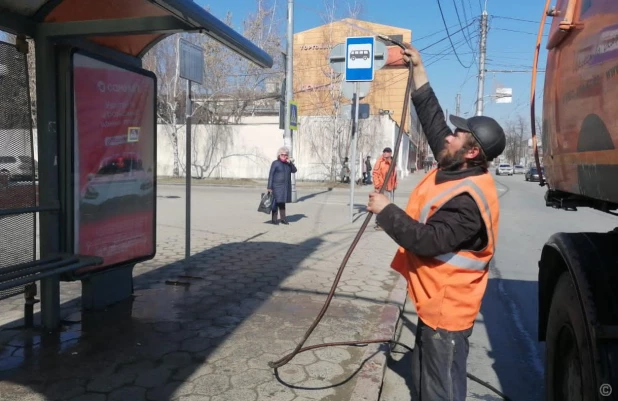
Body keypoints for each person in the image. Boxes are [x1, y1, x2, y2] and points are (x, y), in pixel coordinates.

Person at [366, 44, 506, 401]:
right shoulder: (457, 165)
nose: (448, 135)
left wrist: (385, 210)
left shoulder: (469, 200)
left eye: (457, 134)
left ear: (472, 151)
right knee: (425, 381)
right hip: (433, 302)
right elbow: (432, 120)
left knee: (440, 391)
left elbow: (427, 240)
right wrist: (419, 69)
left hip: (447, 312)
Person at [267, 147, 297, 225]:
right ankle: (274, 220)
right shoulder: (275, 163)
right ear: (279, 155)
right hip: (276, 186)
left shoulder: (288, 164)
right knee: (275, 203)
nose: (284, 156)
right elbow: (271, 175)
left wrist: (290, 163)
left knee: (282, 203)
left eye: (285, 155)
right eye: (282, 154)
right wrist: (269, 187)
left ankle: (283, 219)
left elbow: (294, 170)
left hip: (285, 187)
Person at [372, 147, 397, 230]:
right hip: (382, 187)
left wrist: (395, 184)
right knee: (380, 206)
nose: (385, 153)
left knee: (389, 206)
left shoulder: (392, 161)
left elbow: (394, 174)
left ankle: (387, 223)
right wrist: (377, 186)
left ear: (390, 153)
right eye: (384, 152)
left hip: (390, 187)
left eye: (387, 152)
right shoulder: (380, 162)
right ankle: (379, 223)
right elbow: (375, 174)